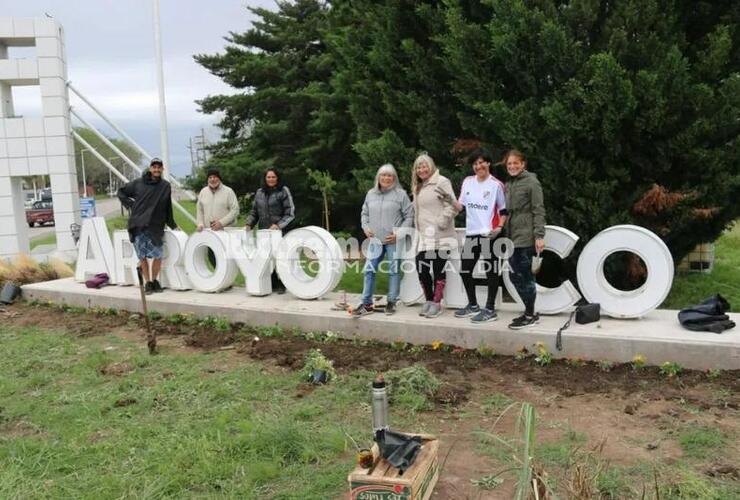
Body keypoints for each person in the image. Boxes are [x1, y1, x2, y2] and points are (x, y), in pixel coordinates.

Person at [452, 148, 508, 323]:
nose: (478, 166)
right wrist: (447, 199)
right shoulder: (468, 182)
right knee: (465, 270)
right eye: (475, 164)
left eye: (481, 162)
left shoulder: (496, 185)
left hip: (490, 235)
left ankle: (490, 309)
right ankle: (473, 305)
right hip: (472, 234)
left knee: (491, 271)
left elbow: (504, 210)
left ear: (488, 163)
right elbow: (460, 206)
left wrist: (499, 226)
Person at [353, 164, 414, 316]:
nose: (386, 178)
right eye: (383, 175)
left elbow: (409, 216)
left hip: (393, 241)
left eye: (390, 175)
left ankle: (392, 302)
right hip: (375, 241)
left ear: (394, 178)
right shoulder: (370, 194)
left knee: (393, 271)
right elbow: (364, 214)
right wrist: (365, 227)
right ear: (378, 178)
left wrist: (399, 234)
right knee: (369, 270)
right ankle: (366, 303)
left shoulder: (401, 195)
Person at [117, 157, 177, 294]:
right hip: (139, 225)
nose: (156, 169)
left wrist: (172, 224)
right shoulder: (138, 183)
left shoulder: (165, 186)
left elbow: (168, 207)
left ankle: (154, 280)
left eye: (159, 167)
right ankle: (148, 282)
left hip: (156, 225)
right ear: (150, 168)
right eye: (154, 167)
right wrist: (131, 205)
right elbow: (121, 192)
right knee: (142, 256)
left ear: (162, 169)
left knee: (158, 255)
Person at [411, 153, 458, 318]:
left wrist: (442, 222)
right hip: (424, 237)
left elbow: (452, 205)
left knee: (438, 269)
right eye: (418, 167)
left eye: (424, 166)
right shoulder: (419, 186)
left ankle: (437, 303)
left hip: (440, 234)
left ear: (431, 166)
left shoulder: (442, 182)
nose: (421, 169)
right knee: (421, 268)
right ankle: (429, 300)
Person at [503, 149, 546, 329]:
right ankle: (529, 311)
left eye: (515, 163)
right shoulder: (510, 183)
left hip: (526, 236)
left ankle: (530, 314)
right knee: (515, 276)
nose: (512, 166)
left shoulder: (531, 182)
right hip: (512, 235)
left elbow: (538, 209)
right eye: (509, 164)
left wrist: (539, 235)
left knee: (524, 276)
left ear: (523, 164)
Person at [244, 168, 295, 293]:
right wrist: (249, 223)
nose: (271, 179)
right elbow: (254, 212)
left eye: (273, 177)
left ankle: (283, 283)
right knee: (266, 259)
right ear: (265, 179)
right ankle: (271, 283)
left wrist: (278, 225)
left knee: (280, 258)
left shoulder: (283, 191)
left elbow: (290, 213)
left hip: (280, 231)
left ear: (277, 178)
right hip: (264, 232)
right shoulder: (259, 192)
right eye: (268, 177)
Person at [196, 168, 239, 266]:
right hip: (209, 232)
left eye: (215, 177)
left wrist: (221, 223)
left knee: (225, 259)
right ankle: (218, 280)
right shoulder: (203, 192)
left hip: (225, 231)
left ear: (219, 178)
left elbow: (235, 210)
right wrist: (200, 223)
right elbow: (199, 209)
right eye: (210, 177)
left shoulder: (228, 191)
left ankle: (226, 279)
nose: (212, 179)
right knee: (212, 256)